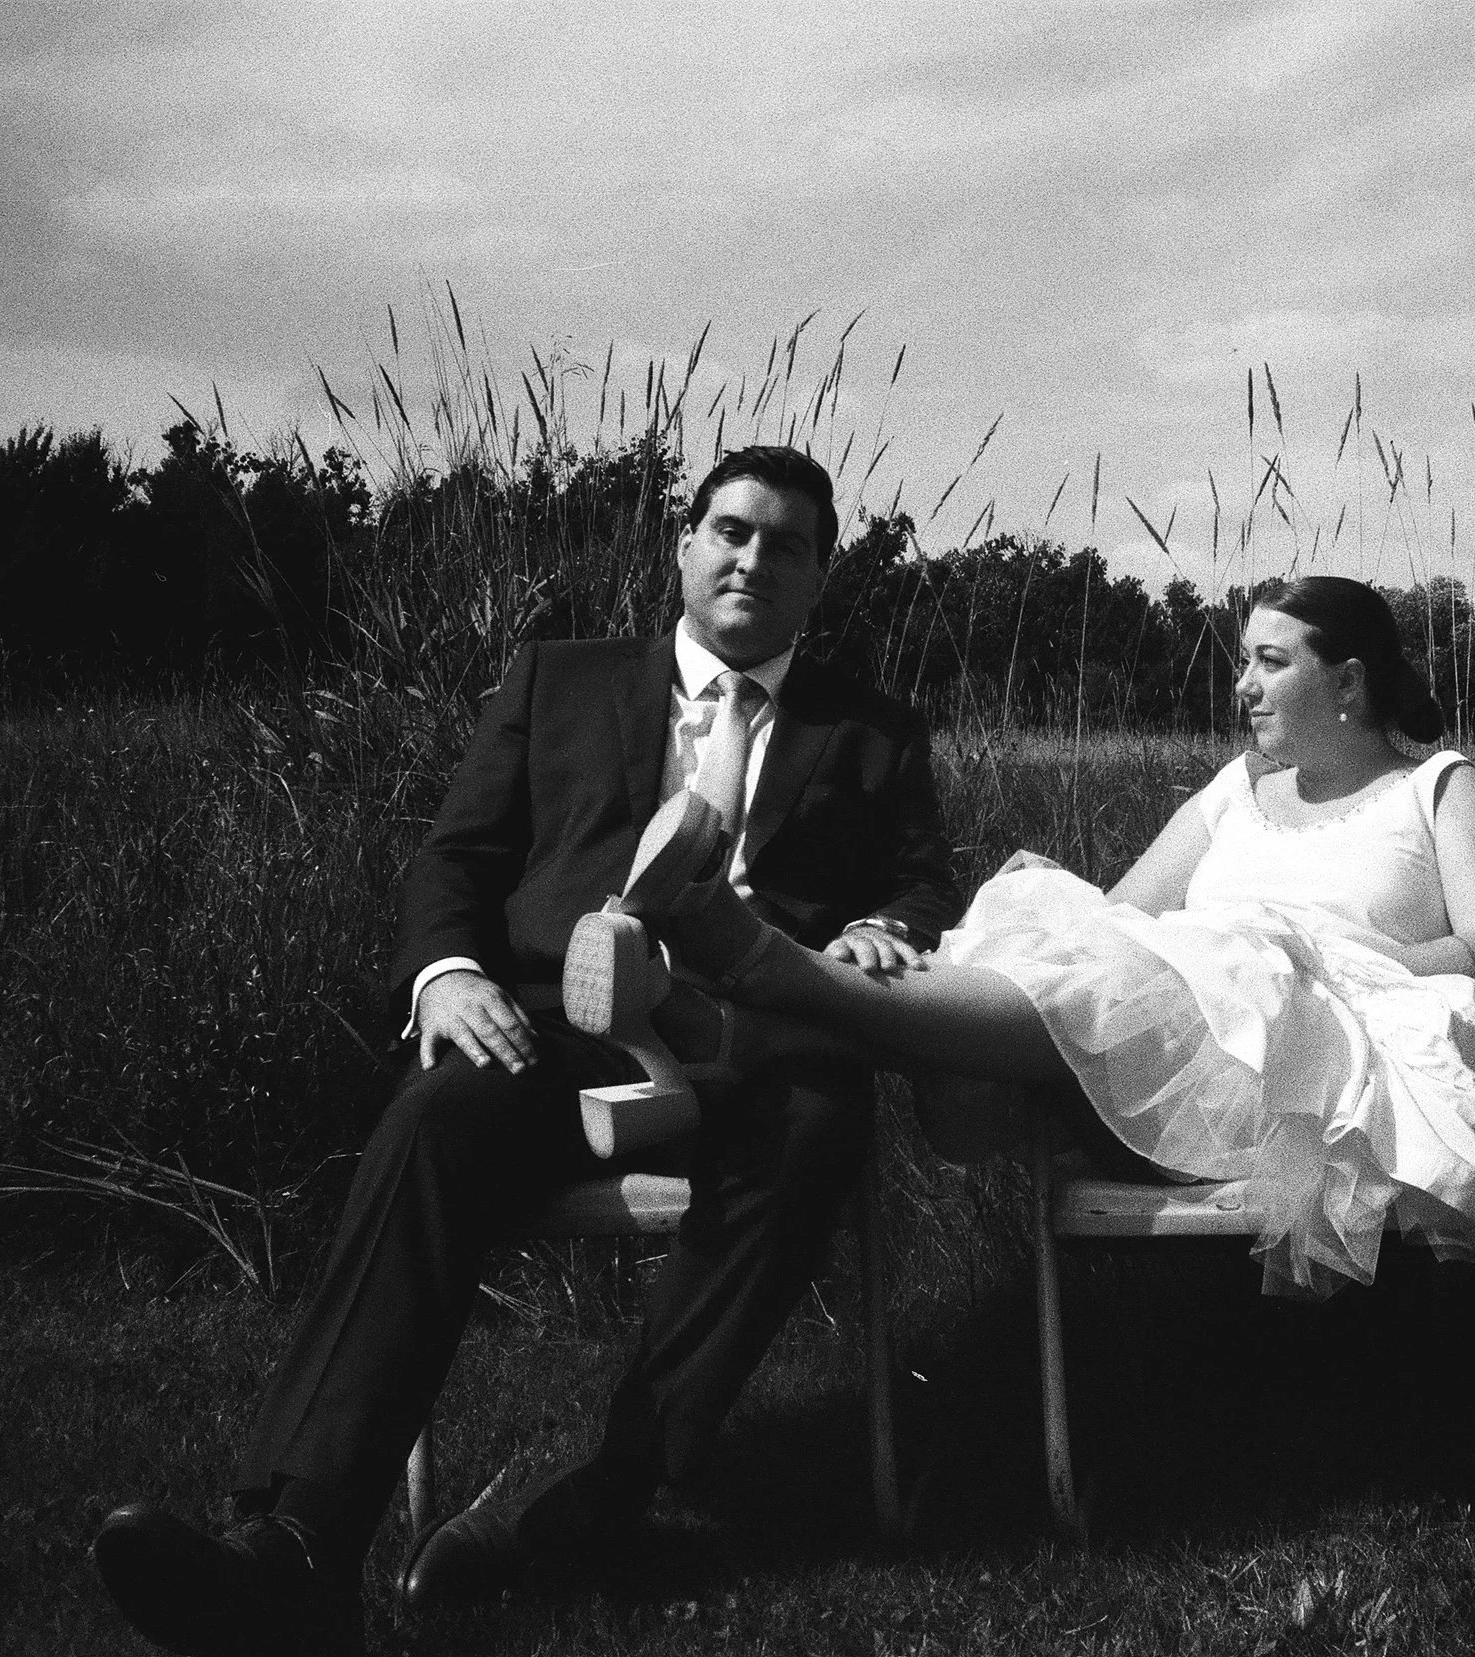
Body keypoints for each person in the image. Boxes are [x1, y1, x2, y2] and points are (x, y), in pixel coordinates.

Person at [93, 446, 960, 1656]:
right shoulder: (558, 677)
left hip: (756, 1038)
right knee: (436, 1114)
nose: (753, 557)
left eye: (787, 543)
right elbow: (457, 857)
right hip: (557, 1023)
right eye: (730, 529)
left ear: (821, 578)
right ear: (683, 544)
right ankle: (296, 1547)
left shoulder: (870, 730)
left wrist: (884, 925)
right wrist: (446, 975)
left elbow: (925, 880)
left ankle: (602, 1501)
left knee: (824, 1116)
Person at [572, 575, 1475, 1301]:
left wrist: (1313, 956)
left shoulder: (1440, 787)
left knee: (1154, 974)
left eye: (1270, 662)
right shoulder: (1235, 791)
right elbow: (1118, 924)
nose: (1243, 687)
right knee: (1062, 938)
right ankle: (746, 1009)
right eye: (1242, 664)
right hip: (1162, 1049)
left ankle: (734, 978)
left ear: (1347, 679)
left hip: (1296, 1073)